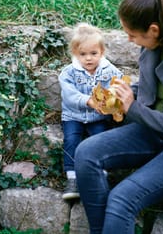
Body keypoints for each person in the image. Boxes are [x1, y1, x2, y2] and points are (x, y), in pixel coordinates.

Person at [74, 0, 163, 234]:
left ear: (153, 30)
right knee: (86, 153)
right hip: (152, 129)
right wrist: (118, 97)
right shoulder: (157, 39)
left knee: (123, 199)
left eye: (132, 35)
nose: (130, 41)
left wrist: (132, 107)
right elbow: (152, 88)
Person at [59, 22, 123, 200]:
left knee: (100, 140)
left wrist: (112, 99)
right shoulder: (68, 73)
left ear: (101, 52)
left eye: (93, 53)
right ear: (75, 54)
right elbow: (69, 95)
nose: (88, 58)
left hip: (98, 116)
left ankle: (100, 173)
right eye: (83, 54)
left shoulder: (109, 71)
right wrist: (88, 100)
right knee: (72, 140)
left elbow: (118, 85)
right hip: (73, 115)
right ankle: (72, 178)